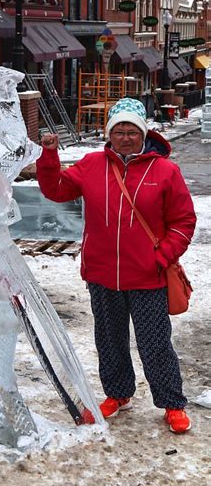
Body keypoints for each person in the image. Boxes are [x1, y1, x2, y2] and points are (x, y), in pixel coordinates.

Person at [36, 97, 196, 434]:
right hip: (102, 274)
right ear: (110, 135)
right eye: (119, 131)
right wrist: (49, 157)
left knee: (155, 343)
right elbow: (56, 190)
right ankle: (118, 394)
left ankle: (172, 403)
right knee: (109, 339)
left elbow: (183, 222)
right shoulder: (92, 164)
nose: (125, 138)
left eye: (132, 132)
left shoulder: (165, 171)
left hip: (148, 276)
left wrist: (162, 257)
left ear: (143, 134)